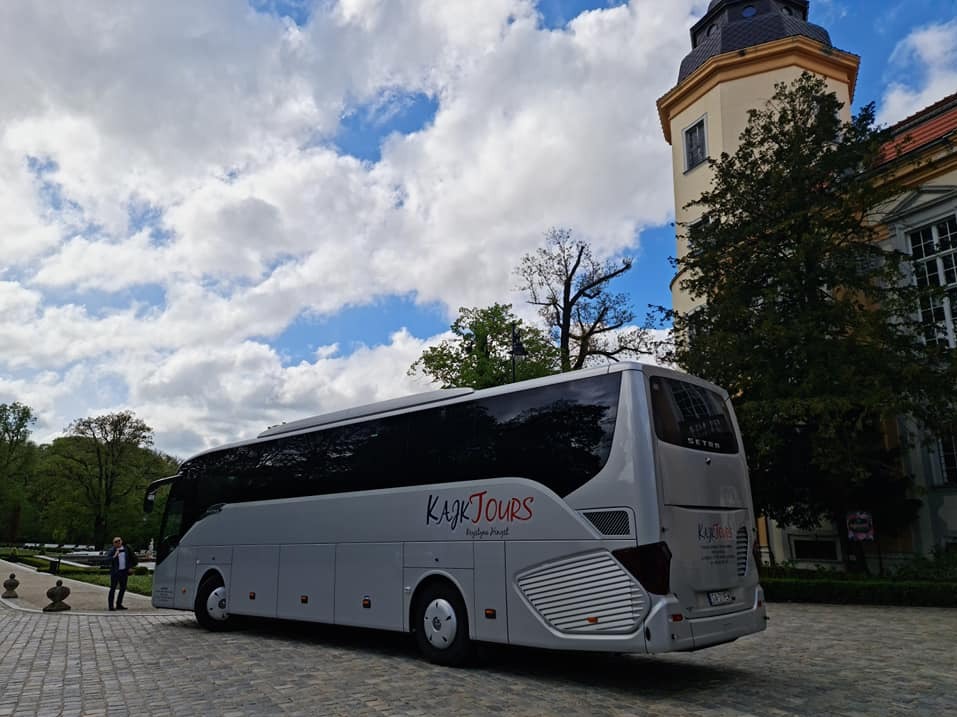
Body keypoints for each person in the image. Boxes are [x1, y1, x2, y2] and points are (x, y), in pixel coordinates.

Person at [107, 536, 138, 611]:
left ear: (121, 541)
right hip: (115, 572)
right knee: (113, 588)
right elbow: (107, 559)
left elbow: (133, 558)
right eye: (116, 542)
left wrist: (130, 567)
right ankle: (111, 606)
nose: (118, 542)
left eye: (119, 541)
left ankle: (119, 604)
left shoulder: (127, 548)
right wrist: (114, 556)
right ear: (113, 543)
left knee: (123, 588)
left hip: (124, 571)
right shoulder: (112, 550)